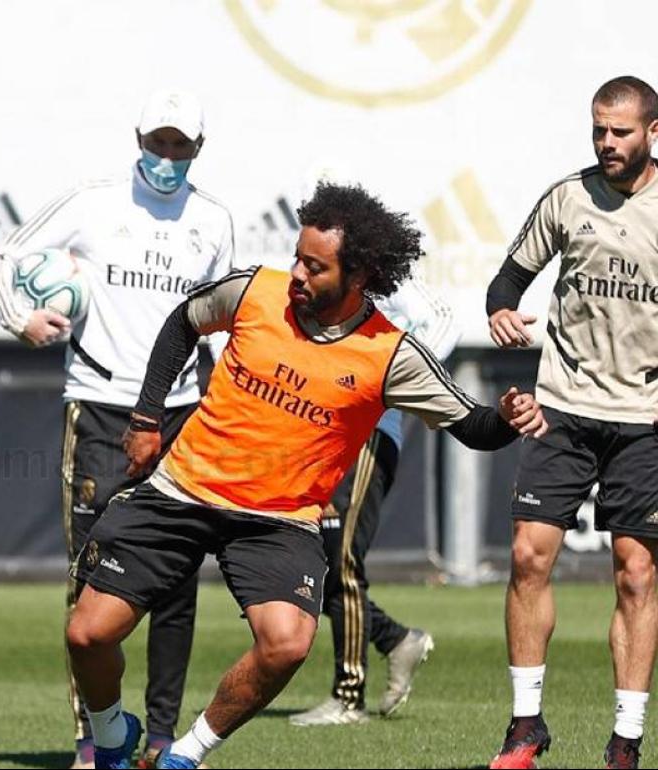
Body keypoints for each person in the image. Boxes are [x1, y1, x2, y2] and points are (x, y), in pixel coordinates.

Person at [65, 181, 547, 770]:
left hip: (277, 521)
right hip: (182, 490)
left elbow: (472, 427)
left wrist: (506, 417)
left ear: (360, 275)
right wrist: (146, 419)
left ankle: (183, 757)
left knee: (289, 642)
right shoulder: (252, 291)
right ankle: (112, 734)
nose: (296, 273)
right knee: (87, 635)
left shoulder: (389, 354)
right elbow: (182, 324)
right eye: (296, 257)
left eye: (314, 267)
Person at [0, 90, 235, 768]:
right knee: (90, 580)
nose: (167, 158)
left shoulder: (213, 220)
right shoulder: (91, 202)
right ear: (138, 138)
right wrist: (20, 320)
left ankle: (159, 737)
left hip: (183, 414)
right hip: (98, 406)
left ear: (200, 150)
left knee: (178, 584)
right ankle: (94, 739)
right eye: (158, 142)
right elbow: (0, 258)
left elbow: (223, 324)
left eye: (181, 146)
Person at [485, 75, 657, 770]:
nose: (607, 143)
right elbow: (507, 281)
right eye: (598, 130)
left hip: (645, 418)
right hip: (562, 406)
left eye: (620, 131)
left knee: (636, 575)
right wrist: (500, 310)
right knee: (528, 555)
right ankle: (525, 727)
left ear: (653, 132)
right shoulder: (567, 198)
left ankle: (626, 739)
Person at [289, 277, 458, 726]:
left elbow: (445, 321)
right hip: (320, 435)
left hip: (368, 431)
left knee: (342, 562)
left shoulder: (387, 278)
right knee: (320, 568)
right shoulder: (314, 283)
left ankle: (348, 698)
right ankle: (396, 640)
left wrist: (392, 380)